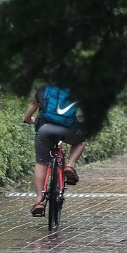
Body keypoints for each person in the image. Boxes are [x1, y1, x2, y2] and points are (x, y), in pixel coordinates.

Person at [23, 84, 87, 216]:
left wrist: (28, 120)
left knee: (41, 162)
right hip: (68, 129)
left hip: (45, 129)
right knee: (81, 140)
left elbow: (31, 110)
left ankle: (39, 200)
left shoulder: (44, 89)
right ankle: (70, 165)